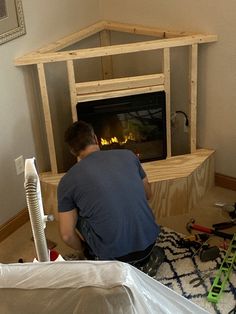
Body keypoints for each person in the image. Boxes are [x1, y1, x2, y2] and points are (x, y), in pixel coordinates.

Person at [57, 120, 163, 266]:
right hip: (150, 245)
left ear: (72, 151)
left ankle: (94, 256)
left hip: (115, 260)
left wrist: (84, 248)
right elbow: (148, 194)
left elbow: (67, 235)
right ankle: (145, 262)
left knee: (76, 215)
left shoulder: (67, 181)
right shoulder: (129, 156)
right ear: (95, 138)